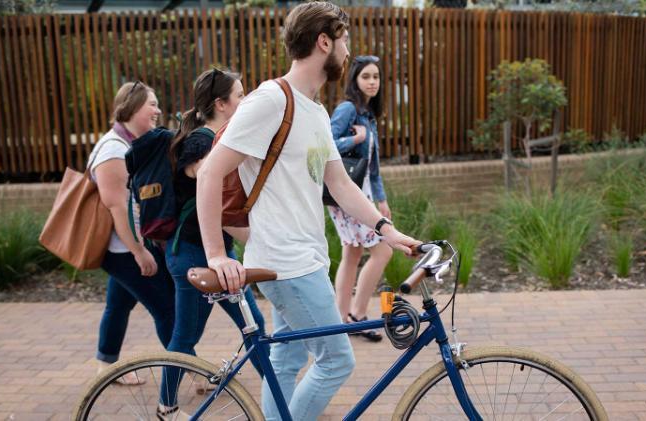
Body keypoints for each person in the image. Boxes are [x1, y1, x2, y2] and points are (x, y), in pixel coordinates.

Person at [196, 2, 420, 419]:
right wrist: (216, 254)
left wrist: (386, 229)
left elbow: (339, 183)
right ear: (323, 42)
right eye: (344, 41)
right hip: (285, 262)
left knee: (286, 361)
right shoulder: (270, 100)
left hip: (307, 258)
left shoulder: (315, 111)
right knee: (337, 360)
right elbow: (209, 172)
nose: (348, 51)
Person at [156, 68, 269, 420]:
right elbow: (214, 198)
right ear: (221, 104)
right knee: (186, 336)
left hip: (218, 256)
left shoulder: (220, 139)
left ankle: (283, 400)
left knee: (251, 328)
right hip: (192, 255)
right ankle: (165, 407)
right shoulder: (202, 143)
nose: (245, 99)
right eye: (239, 95)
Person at [91, 81, 175, 384]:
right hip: (124, 250)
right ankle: (187, 371)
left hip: (127, 247)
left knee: (119, 304)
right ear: (132, 107)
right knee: (168, 310)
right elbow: (118, 208)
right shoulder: (113, 149)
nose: (158, 110)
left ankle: (105, 367)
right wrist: (140, 252)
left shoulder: (129, 145)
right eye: (151, 104)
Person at [328, 55, 391, 342]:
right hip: (346, 192)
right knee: (383, 251)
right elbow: (324, 145)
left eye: (376, 77)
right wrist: (354, 140)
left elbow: (373, 167)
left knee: (352, 254)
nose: (372, 82)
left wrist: (381, 199)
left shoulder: (367, 115)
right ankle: (358, 315)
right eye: (366, 76)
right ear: (354, 80)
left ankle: (341, 320)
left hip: (363, 190)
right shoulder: (348, 109)